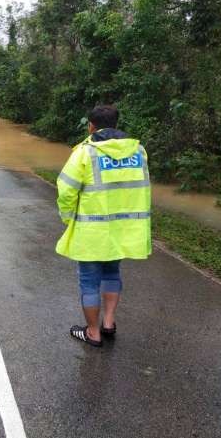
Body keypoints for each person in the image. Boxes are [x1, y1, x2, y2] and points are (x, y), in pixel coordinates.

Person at [56, 105, 151, 347]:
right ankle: (109, 323)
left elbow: (66, 189)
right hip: (123, 231)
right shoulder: (139, 151)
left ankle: (92, 332)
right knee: (112, 273)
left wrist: (68, 218)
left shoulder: (85, 153)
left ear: (91, 126)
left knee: (89, 281)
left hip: (92, 232)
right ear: (116, 124)